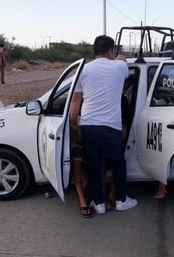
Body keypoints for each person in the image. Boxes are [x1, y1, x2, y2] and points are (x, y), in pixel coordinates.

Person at [69, 35, 138, 215]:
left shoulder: (83, 70)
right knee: (117, 164)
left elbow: (76, 102)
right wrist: (118, 57)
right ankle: (122, 200)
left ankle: (99, 203)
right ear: (110, 50)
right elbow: (122, 59)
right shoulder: (119, 66)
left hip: (88, 125)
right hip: (111, 126)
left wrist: (72, 123)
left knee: (92, 165)